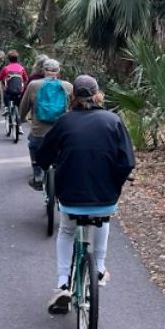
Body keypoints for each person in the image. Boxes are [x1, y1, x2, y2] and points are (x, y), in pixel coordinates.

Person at [36, 74, 135, 314]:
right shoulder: (113, 120)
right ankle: (99, 267)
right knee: (103, 220)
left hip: (70, 197)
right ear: (98, 94)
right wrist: (115, 185)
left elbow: (43, 156)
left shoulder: (64, 122)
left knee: (67, 230)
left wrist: (50, 165)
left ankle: (62, 284)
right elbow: (127, 161)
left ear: (73, 98)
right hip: (105, 197)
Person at [19, 58, 73, 189]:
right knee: (63, 153)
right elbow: (73, 108)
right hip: (61, 132)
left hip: (39, 132)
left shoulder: (34, 85)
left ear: (43, 70)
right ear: (58, 72)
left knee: (33, 145)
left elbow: (24, 106)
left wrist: (21, 119)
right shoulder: (68, 86)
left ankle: (37, 175)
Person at [0, 50, 29, 135]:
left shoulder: (6, 68)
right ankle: (20, 127)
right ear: (17, 59)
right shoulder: (21, 68)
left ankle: (6, 108)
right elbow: (26, 79)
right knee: (18, 108)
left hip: (9, 91)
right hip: (19, 92)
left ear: (9, 59)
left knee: (5, 92)